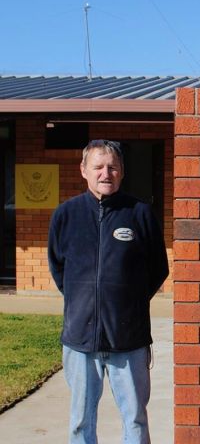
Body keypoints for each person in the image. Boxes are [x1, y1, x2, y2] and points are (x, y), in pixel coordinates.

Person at [48, 139, 168, 444]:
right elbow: (58, 267)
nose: (106, 173)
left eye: (112, 167)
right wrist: (83, 300)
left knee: (136, 420)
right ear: (84, 171)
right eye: (98, 166)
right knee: (80, 422)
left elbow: (158, 269)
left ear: (122, 172)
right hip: (80, 339)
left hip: (128, 340)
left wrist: (127, 302)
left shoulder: (140, 214)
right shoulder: (65, 215)